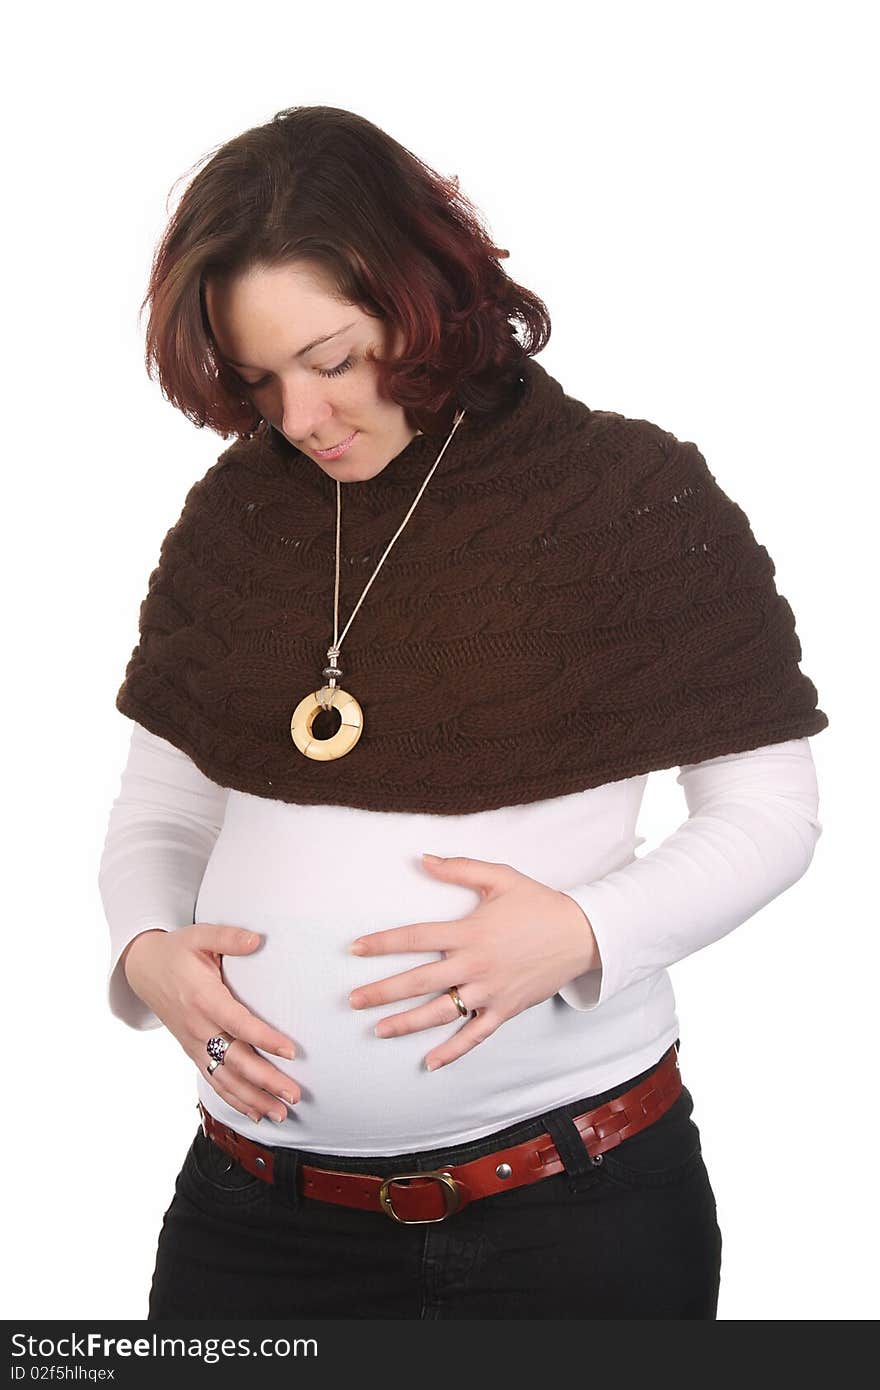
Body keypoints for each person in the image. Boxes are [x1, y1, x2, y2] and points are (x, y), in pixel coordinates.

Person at [98, 105, 829, 1321]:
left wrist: (582, 933)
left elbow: (768, 814)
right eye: (260, 376)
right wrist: (146, 954)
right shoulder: (239, 517)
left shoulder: (628, 497)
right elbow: (159, 810)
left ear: (426, 296)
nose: (299, 417)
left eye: (330, 360)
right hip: (253, 1215)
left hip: (571, 1210)